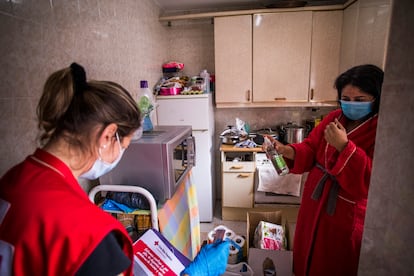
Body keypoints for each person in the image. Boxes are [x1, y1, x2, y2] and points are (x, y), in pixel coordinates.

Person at [0, 63, 229, 276]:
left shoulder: (12, 178)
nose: (121, 154)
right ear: (107, 136)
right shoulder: (87, 232)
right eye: (125, 146)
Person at [265, 64, 384, 276]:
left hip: (344, 212)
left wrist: (344, 147)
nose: (351, 104)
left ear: (376, 98)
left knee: (333, 262)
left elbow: (371, 179)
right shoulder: (334, 119)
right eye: (346, 99)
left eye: (360, 100)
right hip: (314, 202)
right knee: (306, 253)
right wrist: (285, 149)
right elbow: (310, 148)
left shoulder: (382, 129)